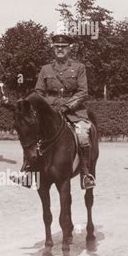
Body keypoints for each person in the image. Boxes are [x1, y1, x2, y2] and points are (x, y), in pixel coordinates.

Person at [35, 33, 95, 189]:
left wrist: (67, 106)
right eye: (57, 47)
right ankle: (29, 169)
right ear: (53, 49)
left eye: (63, 47)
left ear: (69, 49)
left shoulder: (79, 67)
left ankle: (85, 174)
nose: (60, 50)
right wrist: (42, 108)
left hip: (74, 113)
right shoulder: (45, 69)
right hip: (50, 112)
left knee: (83, 136)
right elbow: (39, 92)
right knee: (31, 133)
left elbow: (83, 92)